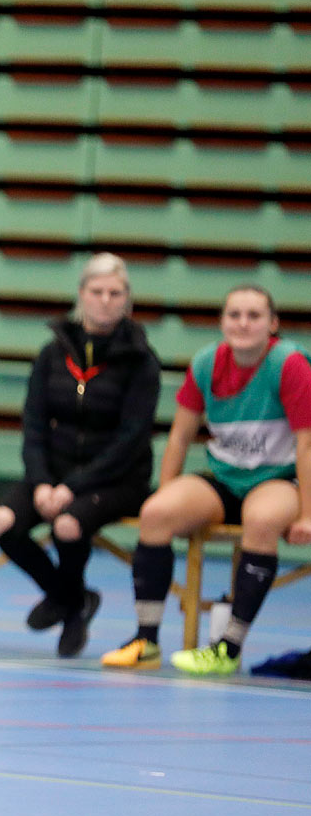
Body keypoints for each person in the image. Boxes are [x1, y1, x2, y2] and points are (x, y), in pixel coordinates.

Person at [102, 284, 311, 675]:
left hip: (279, 478)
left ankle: (227, 647)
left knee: (262, 520)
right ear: (222, 321)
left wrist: (307, 515)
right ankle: (145, 640)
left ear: (273, 324)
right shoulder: (205, 363)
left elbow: (307, 445)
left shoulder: (289, 364)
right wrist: (167, 492)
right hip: (224, 476)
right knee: (156, 513)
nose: (243, 323)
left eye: (254, 316)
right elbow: (180, 436)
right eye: (234, 315)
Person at [0, 253, 161, 657]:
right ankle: (72, 599)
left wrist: (71, 487)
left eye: (114, 293)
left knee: (67, 525)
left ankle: (68, 605)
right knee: (1, 522)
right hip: (53, 471)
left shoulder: (141, 361)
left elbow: (131, 439)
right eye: (96, 291)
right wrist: (44, 480)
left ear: (126, 299)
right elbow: (32, 424)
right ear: (82, 294)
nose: (105, 300)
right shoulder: (52, 354)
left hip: (116, 479)